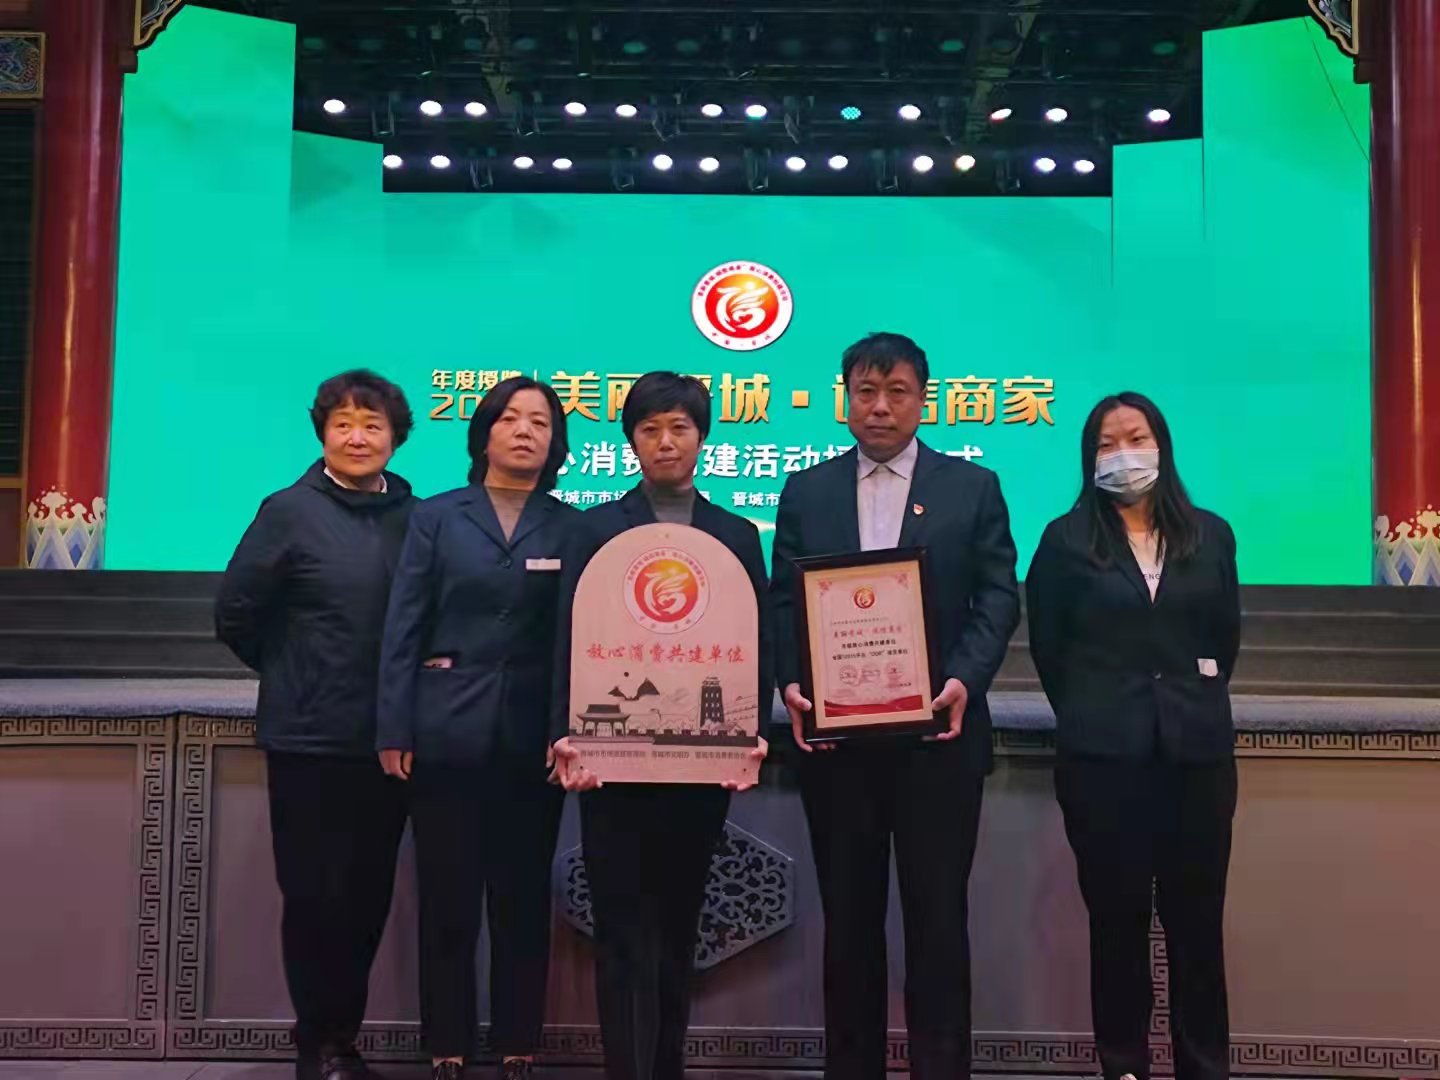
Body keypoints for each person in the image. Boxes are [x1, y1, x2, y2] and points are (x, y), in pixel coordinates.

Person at [770, 332, 1020, 1080]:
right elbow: (783, 602)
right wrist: (792, 682)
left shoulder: (972, 487)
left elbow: (997, 598)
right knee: (848, 925)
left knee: (938, 923)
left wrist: (964, 681)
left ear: (923, 400)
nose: (880, 407)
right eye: (866, 392)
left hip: (938, 742)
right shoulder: (807, 489)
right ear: (845, 399)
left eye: (897, 392)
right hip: (838, 749)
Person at [550, 371, 771, 1080]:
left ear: (702, 437)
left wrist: (751, 736)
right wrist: (563, 734)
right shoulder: (593, 529)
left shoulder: (736, 534)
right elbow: (567, 639)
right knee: (619, 933)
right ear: (631, 441)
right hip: (608, 766)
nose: (666, 442)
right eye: (650, 430)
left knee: (679, 929)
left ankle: (667, 1065)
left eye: (680, 428)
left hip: (700, 768)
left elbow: (756, 641)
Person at [1025, 392, 1240, 1080]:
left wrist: (1182, 700)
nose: (1124, 454)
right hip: (1103, 763)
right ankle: (1124, 1066)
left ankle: (1203, 1066)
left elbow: (1223, 642)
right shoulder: (1064, 541)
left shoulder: (1211, 535)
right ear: (1089, 458)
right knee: (1117, 928)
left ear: (1162, 446)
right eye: (1107, 444)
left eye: (1136, 438)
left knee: (1197, 928)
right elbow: (1051, 650)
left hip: (1196, 758)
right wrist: (1100, 710)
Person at [215, 369, 417, 1080]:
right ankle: (317, 1046)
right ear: (323, 433)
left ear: (396, 437)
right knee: (314, 897)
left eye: (372, 424)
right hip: (308, 740)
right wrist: (295, 669)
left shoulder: (415, 517)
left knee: (366, 898)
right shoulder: (289, 511)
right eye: (343, 424)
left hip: (389, 742)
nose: (358, 437)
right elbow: (235, 614)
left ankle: (344, 1040)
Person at [376, 376, 579, 1080]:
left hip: (534, 738)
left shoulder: (572, 525)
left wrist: (566, 729)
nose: (525, 431)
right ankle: (447, 1041)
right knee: (448, 897)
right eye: (511, 418)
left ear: (556, 443)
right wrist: (394, 725)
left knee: (522, 898)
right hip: (443, 730)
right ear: (484, 432)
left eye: (541, 422)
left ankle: (519, 1038)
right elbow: (404, 625)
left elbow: (574, 640)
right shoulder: (436, 517)